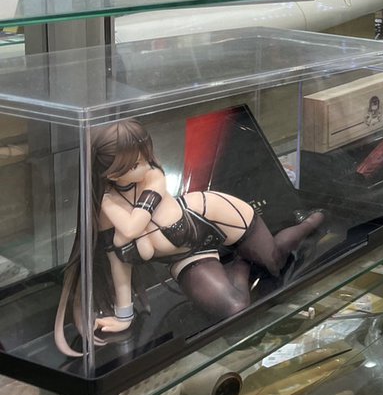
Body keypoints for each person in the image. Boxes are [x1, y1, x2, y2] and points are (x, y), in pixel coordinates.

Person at [54, 120, 325, 357]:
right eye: (135, 163)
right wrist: (124, 317)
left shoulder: (152, 177)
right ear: (111, 172)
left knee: (275, 261)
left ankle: (310, 223)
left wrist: (107, 205)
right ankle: (241, 263)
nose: (147, 164)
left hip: (219, 217)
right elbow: (119, 263)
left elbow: (134, 226)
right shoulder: (109, 208)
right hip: (189, 254)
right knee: (235, 308)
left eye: (146, 155)